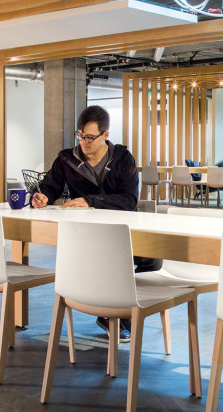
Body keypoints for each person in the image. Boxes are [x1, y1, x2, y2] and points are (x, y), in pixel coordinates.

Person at [31, 105, 146, 342]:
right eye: (80, 136)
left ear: (106, 135)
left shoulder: (123, 158)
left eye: (90, 137)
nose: (84, 142)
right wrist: (43, 196)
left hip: (122, 232)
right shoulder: (66, 158)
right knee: (107, 260)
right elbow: (50, 186)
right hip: (85, 235)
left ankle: (116, 313)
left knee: (147, 260)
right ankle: (112, 314)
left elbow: (129, 199)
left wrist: (89, 200)